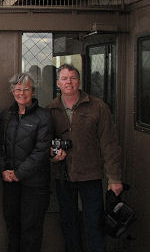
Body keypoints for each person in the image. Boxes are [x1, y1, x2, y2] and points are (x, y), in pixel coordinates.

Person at [48, 63, 123, 252]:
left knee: (94, 222)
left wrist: (114, 178)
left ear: (79, 81)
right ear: (58, 83)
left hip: (90, 174)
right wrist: (52, 156)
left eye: (73, 78)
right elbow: (45, 143)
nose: (69, 82)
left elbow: (110, 144)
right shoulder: (50, 109)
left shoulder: (98, 107)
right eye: (64, 78)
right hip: (63, 175)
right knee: (68, 222)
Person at [0, 73, 53, 252]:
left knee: (31, 227)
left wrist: (19, 173)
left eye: (26, 89)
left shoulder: (44, 117)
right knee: (12, 224)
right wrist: (4, 170)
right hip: (10, 182)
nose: (21, 93)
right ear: (12, 92)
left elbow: (41, 151)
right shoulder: (6, 116)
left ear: (33, 91)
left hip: (35, 184)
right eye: (18, 89)